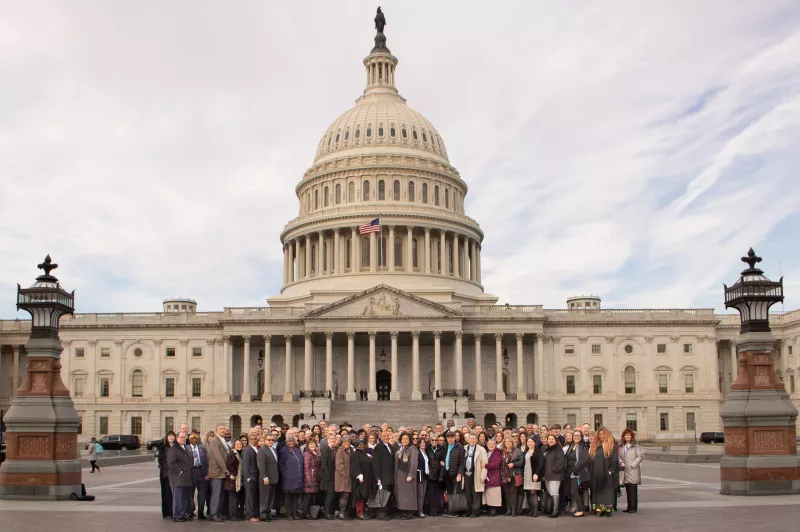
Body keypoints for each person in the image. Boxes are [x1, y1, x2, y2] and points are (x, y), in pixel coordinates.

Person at [588, 427, 619, 517]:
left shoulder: (611, 447)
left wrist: (610, 472)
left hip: (606, 473)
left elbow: (614, 461)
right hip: (597, 473)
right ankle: (600, 509)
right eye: (600, 434)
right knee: (598, 492)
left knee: (607, 492)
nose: (601, 436)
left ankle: (608, 510)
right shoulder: (596, 447)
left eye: (603, 434)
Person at [168, 432, 193, 522]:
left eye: (184, 437)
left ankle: (182, 514)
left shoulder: (185, 448)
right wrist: (180, 471)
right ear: (177, 438)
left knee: (184, 498)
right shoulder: (173, 449)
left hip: (186, 478)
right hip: (178, 478)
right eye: (181, 437)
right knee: (178, 498)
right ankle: (177, 515)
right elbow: (171, 463)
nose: (182, 439)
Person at [207, 423, 230, 522]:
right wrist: (226, 469)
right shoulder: (214, 441)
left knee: (221, 494)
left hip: (223, 472)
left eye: (224, 429)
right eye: (220, 428)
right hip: (217, 472)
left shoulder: (223, 440)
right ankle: (213, 514)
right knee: (216, 494)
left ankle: (219, 513)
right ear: (216, 430)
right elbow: (218, 457)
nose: (222, 430)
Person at [279, 435, 305, 519]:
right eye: (289, 441)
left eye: (293, 441)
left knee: (295, 496)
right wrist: (285, 474)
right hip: (288, 478)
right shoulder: (283, 451)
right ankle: (289, 514)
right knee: (288, 496)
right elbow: (281, 464)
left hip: (297, 477)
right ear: (286, 442)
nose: (291, 443)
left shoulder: (297, 450)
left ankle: (295, 514)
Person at [393, 432, 418, 519]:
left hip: (408, 474)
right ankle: (403, 511)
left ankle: (410, 512)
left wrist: (411, 474)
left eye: (406, 439)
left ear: (409, 440)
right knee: (401, 494)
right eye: (403, 439)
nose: (404, 440)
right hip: (399, 475)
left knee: (409, 494)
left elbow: (414, 463)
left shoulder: (412, 448)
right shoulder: (400, 448)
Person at [371, 429, 395, 520]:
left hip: (389, 476)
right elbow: (376, 464)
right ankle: (381, 514)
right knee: (382, 495)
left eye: (387, 436)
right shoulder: (378, 447)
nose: (386, 437)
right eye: (384, 436)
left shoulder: (390, 446)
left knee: (388, 495)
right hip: (382, 476)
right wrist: (378, 477)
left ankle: (386, 512)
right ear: (381, 437)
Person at [350, 439, 375, 520]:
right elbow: (355, 466)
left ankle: (363, 512)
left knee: (364, 496)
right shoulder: (354, 454)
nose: (362, 446)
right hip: (360, 479)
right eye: (360, 445)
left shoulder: (364, 453)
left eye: (363, 444)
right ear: (356, 445)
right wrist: (360, 476)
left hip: (367, 478)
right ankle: (359, 513)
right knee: (359, 495)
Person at [463, 433, 488, 518]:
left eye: (474, 438)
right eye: (471, 438)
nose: (472, 440)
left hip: (476, 473)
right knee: (468, 492)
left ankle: (475, 510)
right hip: (466, 473)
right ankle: (469, 509)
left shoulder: (481, 450)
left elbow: (484, 464)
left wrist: (483, 476)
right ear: (468, 439)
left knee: (476, 492)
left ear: (476, 440)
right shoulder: (464, 448)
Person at [442, 429, 465, 517]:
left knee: (457, 492)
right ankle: (450, 509)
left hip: (456, 474)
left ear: (455, 438)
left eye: (452, 437)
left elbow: (462, 462)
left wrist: (460, 473)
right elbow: (443, 457)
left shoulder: (460, 447)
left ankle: (456, 511)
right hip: (447, 473)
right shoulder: (445, 446)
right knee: (450, 492)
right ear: (446, 438)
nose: (450, 439)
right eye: (448, 437)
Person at [257, 431, 279, 521]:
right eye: (268, 440)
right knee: (265, 497)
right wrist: (264, 477)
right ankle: (263, 514)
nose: (270, 441)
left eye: (272, 440)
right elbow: (261, 465)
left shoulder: (273, 449)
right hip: (266, 478)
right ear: (265, 440)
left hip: (273, 477)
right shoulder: (262, 450)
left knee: (271, 497)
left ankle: (268, 513)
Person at [620, 428, 643, 514]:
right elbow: (619, 456)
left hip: (633, 471)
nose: (627, 437)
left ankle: (633, 507)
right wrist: (621, 462)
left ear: (631, 436)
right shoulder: (622, 446)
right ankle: (629, 507)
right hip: (625, 471)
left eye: (629, 435)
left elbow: (640, 456)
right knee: (628, 490)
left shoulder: (636, 446)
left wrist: (633, 465)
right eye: (626, 435)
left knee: (633, 490)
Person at [542, 434, 565, 518]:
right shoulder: (546, 450)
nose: (551, 440)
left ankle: (555, 511)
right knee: (551, 493)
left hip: (555, 475)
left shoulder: (558, 449)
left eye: (552, 439)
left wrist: (554, 469)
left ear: (555, 440)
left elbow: (560, 462)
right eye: (549, 439)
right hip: (547, 475)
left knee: (554, 493)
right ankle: (555, 510)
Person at [500, 436, 523, 516]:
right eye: (506, 441)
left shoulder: (517, 451)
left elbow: (522, 462)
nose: (508, 443)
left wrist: (513, 464)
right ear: (504, 443)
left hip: (513, 475)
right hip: (504, 475)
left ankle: (514, 511)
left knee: (513, 493)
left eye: (509, 441)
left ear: (512, 442)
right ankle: (508, 510)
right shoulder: (502, 452)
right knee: (506, 493)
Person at [187, 433, 208, 520]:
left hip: (201, 472)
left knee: (202, 494)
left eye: (196, 439)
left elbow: (206, 462)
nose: (194, 440)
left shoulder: (202, 449)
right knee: (190, 494)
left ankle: (200, 513)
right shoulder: (186, 449)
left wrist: (206, 473)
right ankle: (190, 512)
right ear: (189, 440)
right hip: (191, 472)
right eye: (192, 439)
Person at [566, 429, 586, 517]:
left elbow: (583, 460)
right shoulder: (572, 445)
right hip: (569, 472)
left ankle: (581, 510)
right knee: (572, 492)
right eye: (575, 435)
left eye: (578, 435)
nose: (576, 437)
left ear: (581, 437)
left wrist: (575, 470)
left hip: (577, 473)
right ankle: (578, 508)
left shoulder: (583, 446)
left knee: (574, 491)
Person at [242, 431, 261, 522]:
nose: (253, 440)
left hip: (257, 476)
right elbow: (245, 465)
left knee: (255, 496)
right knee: (249, 497)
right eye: (251, 439)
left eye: (255, 439)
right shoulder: (247, 450)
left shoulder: (257, 448)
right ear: (249, 440)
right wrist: (247, 477)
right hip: (250, 477)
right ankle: (249, 515)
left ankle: (255, 513)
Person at [320, 433, 340, 519]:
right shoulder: (325, 448)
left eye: (334, 439)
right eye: (331, 439)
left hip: (335, 475)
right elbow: (323, 463)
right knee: (329, 495)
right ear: (327, 440)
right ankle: (327, 514)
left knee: (333, 495)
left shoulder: (336, 448)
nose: (333, 440)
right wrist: (328, 476)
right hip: (328, 476)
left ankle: (330, 512)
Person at [224, 439, 245, 520]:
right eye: (237, 444)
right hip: (232, 480)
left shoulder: (241, 453)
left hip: (239, 480)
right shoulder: (233, 454)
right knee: (233, 499)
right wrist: (233, 473)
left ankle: (238, 514)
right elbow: (229, 464)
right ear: (234, 445)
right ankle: (232, 515)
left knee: (238, 498)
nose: (239, 445)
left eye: (240, 444)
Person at [157, 431, 176, 519]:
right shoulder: (163, 448)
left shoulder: (177, 447)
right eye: (169, 436)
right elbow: (161, 460)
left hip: (175, 474)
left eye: (172, 436)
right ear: (167, 437)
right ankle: (167, 512)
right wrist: (168, 467)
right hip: (166, 474)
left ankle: (175, 510)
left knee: (175, 494)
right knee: (166, 493)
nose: (171, 438)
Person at [523, 434, 542, 517]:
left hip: (534, 474)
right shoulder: (525, 452)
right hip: (526, 474)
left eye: (531, 442)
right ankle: (531, 509)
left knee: (533, 492)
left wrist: (536, 473)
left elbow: (541, 464)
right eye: (528, 442)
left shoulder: (538, 451)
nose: (530, 443)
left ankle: (535, 511)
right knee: (528, 493)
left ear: (535, 443)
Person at [335, 435, 353, 520]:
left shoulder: (350, 450)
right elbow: (339, 465)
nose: (347, 443)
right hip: (343, 477)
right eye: (345, 442)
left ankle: (343, 512)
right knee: (345, 494)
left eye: (348, 442)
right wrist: (345, 475)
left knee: (346, 495)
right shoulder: (340, 451)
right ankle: (341, 513)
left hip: (348, 476)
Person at [427, 435, 445, 517]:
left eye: (435, 440)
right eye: (432, 440)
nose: (434, 441)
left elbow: (443, 462)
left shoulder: (441, 449)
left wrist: (441, 476)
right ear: (430, 441)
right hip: (429, 475)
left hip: (438, 475)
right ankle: (431, 509)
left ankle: (436, 509)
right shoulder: (427, 449)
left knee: (437, 493)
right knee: (430, 493)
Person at [483, 438, 502, 516]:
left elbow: (496, 464)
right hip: (488, 475)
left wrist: (486, 465)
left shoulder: (497, 453)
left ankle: (494, 510)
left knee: (494, 493)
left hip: (494, 475)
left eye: (492, 444)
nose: (490, 445)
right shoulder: (486, 452)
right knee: (488, 493)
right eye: (489, 444)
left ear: (495, 445)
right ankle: (490, 509)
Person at [302, 439, 321, 519]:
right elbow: (306, 468)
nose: (312, 446)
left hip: (314, 478)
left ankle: (310, 513)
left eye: (313, 444)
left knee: (311, 497)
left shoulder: (315, 453)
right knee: (307, 497)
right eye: (311, 444)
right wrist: (308, 480)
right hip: (309, 478)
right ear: (307, 445)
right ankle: (306, 514)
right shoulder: (307, 454)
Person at [415, 438, 431, 518]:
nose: (422, 443)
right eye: (421, 442)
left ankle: (421, 509)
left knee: (423, 494)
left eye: (424, 442)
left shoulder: (426, 452)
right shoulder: (417, 452)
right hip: (419, 476)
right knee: (420, 494)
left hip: (425, 475)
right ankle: (419, 511)